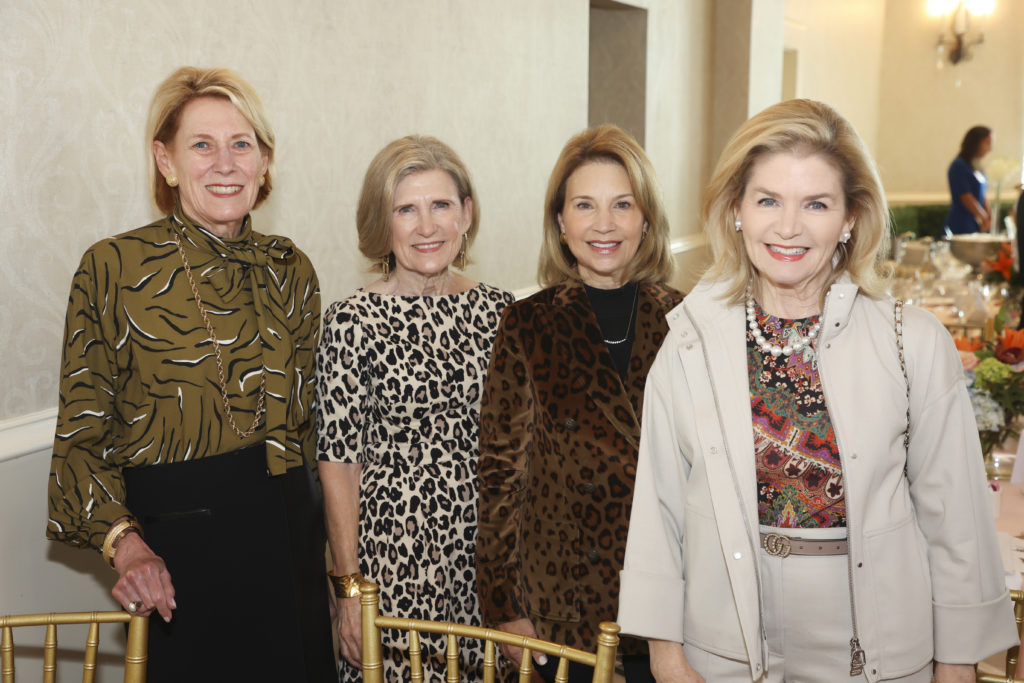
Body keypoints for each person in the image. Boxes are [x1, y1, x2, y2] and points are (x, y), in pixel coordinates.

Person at [617, 99, 1018, 683]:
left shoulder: (914, 342)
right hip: (723, 633)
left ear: (851, 217)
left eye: (816, 204)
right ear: (736, 210)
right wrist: (666, 655)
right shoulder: (689, 341)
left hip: (877, 636)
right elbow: (659, 509)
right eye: (768, 200)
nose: (788, 227)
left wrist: (955, 666)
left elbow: (955, 519)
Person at [46, 67, 334, 682]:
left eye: (242, 144)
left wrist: (338, 569)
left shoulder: (293, 268)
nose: (225, 163)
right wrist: (127, 545)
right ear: (166, 161)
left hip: (290, 537)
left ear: (264, 163)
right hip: (181, 556)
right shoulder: (113, 267)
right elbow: (80, 441)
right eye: (202, 145)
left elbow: (313, 433)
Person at [476, 124, 682, 683]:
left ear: (646, 218)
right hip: (561, 614)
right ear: (561, 222)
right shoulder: (529, 323)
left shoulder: (689, 322)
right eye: (584, 205)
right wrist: (506, 611)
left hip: (673, 609)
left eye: (622, 204)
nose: (604, 224)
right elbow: (499, 479)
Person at [316, 135, 514, 682]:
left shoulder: (503, 313)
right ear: (384, 223)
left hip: (483, 562)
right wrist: (351, 589)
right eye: (407, 209)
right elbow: (338, 463)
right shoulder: (350, 321)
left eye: (441, 205)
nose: (426, 227)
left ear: (466, 214)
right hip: (392, 561)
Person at [944, 125, 993, 235]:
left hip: (975, 223)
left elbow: (982, 195)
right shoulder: (959, 166)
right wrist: (984, 217)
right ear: (976, 142)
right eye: (987, 143)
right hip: (961, 224)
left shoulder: (977, 167)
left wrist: (989, 214)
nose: (990, 149)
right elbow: (965, 196)